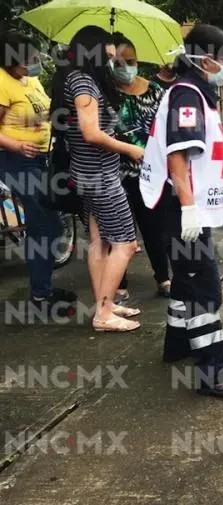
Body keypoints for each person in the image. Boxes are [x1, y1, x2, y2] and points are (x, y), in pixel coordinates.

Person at [140, 24, 223, 398]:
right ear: (205, 59)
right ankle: (211, 372)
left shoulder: (198, 92)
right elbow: (177, 157)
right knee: (204, 286)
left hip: (187, 206)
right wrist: (188, 209)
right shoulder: (187, 94)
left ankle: (176, 345)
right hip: (180, 207)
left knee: (187, 278)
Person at [50, 26, 143, 331]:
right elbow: (90, 133)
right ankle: (103, 314)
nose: (112, 62)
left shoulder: (75, 78)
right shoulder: (83, 82)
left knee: (99, 242)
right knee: (126, 244)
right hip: (100, 175)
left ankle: (106, 303)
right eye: (109, 55)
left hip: (89, 171)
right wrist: (130, 149)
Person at [0, 31, 76, 316]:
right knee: (44, 224)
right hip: (16, 160)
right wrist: (17, 145)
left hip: (42, 158)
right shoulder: (2, 82)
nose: (35, 61)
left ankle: (42, 289)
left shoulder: (30, 80)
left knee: (48, 225)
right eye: (29, 58)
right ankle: (41, 295)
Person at [110, 33, 171, 300]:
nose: (125, 67)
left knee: (155, 227)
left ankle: (163, 277)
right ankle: (118, 283)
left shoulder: (156, 91)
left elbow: (168, 128)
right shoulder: (103, 93)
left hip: (150, 172)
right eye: (118, 63)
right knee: (119, 230)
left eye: (130, 61)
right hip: (114, 172)